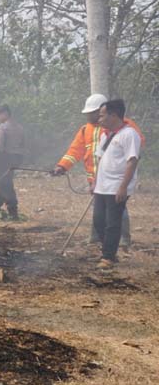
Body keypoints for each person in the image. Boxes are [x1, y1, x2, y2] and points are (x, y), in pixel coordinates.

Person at [53, 94, 144, 247]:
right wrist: (62, 166)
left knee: (117, 212)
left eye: (91, 113)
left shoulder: (125, 127)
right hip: (97, 180)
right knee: (99, 214)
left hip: (116, 181)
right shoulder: (84, 130)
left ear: (101, 111)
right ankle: (98, 238)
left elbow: (134, 150)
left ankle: (122, 239)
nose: (88, 116)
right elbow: (75, 151)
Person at [91, 99, 141, 269]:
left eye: (102, 115)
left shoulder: (129, 134)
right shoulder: (106, 135)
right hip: (102, 186)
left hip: (116, 186)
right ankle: (108, 249)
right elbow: (100, 159)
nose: (99, 119)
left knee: (113, 222)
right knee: (98, 220)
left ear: (113, 115)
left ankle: (108, 257)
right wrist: (95, 181)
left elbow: (132, 161)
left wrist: (123, 187)